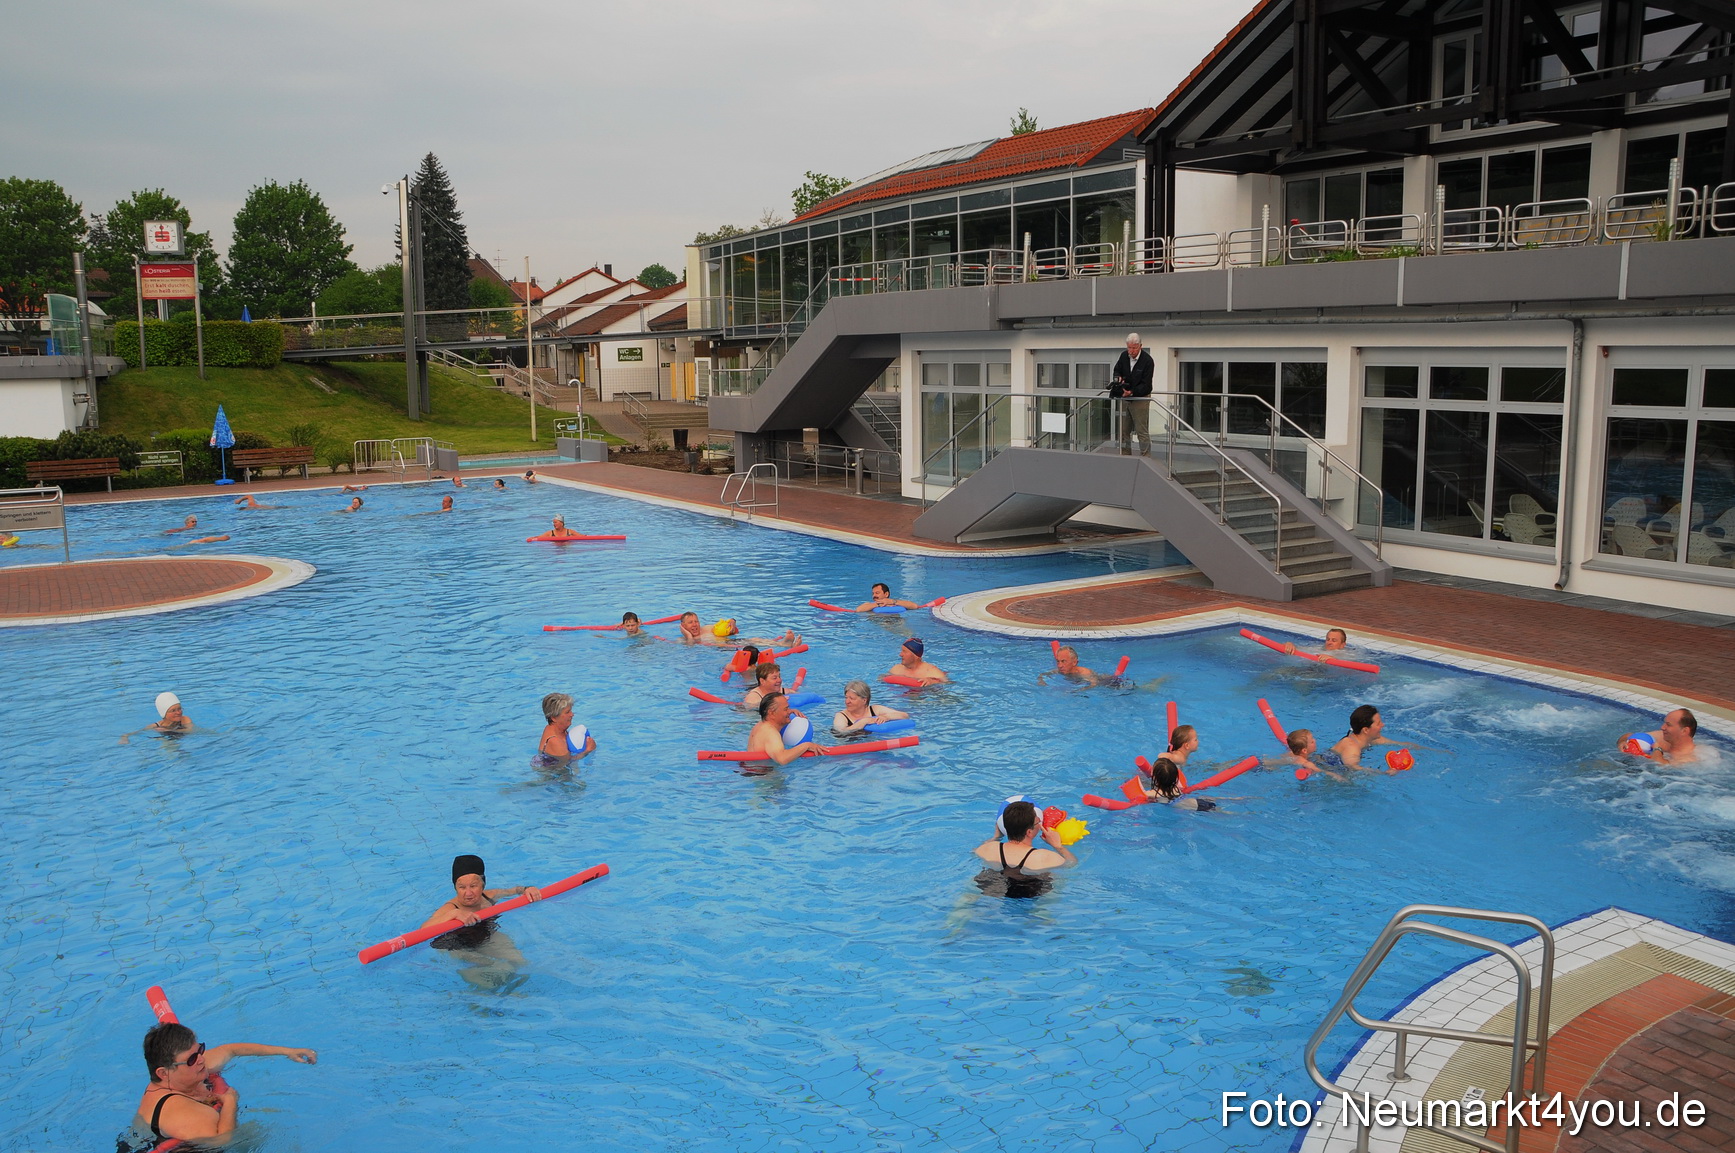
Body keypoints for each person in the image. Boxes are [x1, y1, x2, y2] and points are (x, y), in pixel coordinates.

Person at [132, 1022, 316, 1144]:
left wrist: (288, 1051)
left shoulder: (185, 1070)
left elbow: (232, 1050)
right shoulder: (179, 1110)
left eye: (200, 1050)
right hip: (168, 1146)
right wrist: (230, 1102)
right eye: (191, 1059)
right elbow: (224, 1141)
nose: (202, 1059)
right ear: (164, 1073)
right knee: (264, 1131)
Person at [972, 800, 1076, 898]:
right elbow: (1072, 864)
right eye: (1037, 821)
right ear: (1029, 832)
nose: (1040, 820)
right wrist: (1058, 846)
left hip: (992, 884)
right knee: (1057, 881)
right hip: (1030, 890)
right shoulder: (1045, 857)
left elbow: (974, 852)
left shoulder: (988, 848)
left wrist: (996, 837)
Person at [745, 693, 823, 767]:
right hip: (765, 777)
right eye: (786, 709)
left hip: (752, 770)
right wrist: (806, 745)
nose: (789, 711)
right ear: (771, 713)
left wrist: (788, 713)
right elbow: (782, 759)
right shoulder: (770, 733)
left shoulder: (761, 724)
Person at [1109, 332, 1154, 456]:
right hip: (1125, 396)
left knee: (1141, 430)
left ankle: (1146, 456)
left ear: (1140, 346)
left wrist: (1132, 392)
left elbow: (1147, 385)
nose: (1131, 351)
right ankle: (1125, 455)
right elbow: (1117, 370)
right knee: (1124, 430)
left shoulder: (1147, 360)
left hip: (1140, 397)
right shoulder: (1124, 356)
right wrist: (1118, 379)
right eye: (1129, 347)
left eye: (1134, 348)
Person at [1332, 705, 1408, 772]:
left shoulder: (1369, 739)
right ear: (1366, 730)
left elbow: (1397, 744)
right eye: (1378, 723)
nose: (1383, 725)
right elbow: (1353, 768)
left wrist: (1414, 747)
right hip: (1332, 770)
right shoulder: (1352, 747)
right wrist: (1384, 773)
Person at [1620, 708, 1699, 763]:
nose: (1662, 727)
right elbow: (1629, 735)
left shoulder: (1689, 757)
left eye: (1668, 725)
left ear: (1684, 731)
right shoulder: (1661, 737)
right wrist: (1623, 742)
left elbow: (1660, 766)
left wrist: (1657, 749)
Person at [1140, 756, 1218, 810]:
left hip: (1195, 807)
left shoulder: (1152, 793)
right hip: (1195, 802)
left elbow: (1141, 796)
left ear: (1155, 777)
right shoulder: (1175, 786)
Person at [833, 680, 909, 734]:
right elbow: (841, 732)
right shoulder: (841, 716)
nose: (847, 701)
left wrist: (886, 717)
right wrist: (863, 722)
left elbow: (904, 715)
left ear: (864, 700)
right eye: (846, 697)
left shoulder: (875, 709)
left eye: (852, 698)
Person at [1270, 729, 1346, 781]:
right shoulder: (1305, 762)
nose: (1315, 740)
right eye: (1312, 742)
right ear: (1304, 750)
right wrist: (1335, 776)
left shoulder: (1292, 752)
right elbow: (1320, 771)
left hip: (1273, 762)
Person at [537, 692, 594, 761]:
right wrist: (588, 750)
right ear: (554, 718)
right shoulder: (555, 741)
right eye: (567, 712)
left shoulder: (557, 729)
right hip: (553, 770)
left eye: (571, 711)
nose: (572, 714)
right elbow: (567, 762)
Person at [119, 692, 194, 745]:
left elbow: (191, 731)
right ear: (164, 713)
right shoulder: (155, 726)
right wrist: (124, 737)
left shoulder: (184, 719)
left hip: (182, 739)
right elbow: (137, 732)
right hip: (166, 740)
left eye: (179, 709)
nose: (178, 712)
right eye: (173, 710)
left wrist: (169, 730)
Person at [1283, 628, 1349, 657]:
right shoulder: (1319, 648)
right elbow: (1298, 648)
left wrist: (1333, 659)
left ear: (1342, 645)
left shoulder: (1347, 655)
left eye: (1334, 640)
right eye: (1328, 639)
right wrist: (1289, 644)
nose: (1329, 642)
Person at [854, 582, 919, 612]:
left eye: (877, 593)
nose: (874, 595)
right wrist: (878, 604)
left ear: (886, 594)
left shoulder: (896, 603)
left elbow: (915, 606)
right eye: (873, 593)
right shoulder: (870, 605)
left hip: (897, 622)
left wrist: (892, 602)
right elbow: (858, 610)